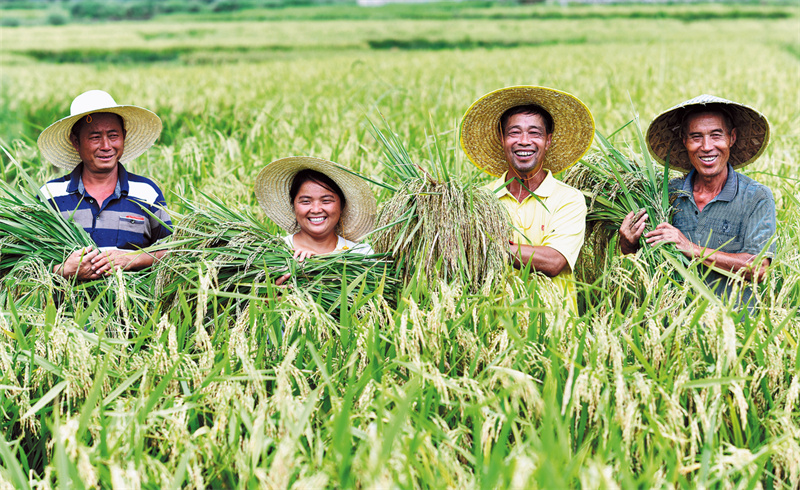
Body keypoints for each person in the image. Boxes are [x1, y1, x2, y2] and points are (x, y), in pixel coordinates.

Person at [619, 94, 776, 305]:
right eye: (696, 137)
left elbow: (758, 269)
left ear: (732, 137)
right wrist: (628, 245)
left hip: (733, 328)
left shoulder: (756, 197)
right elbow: (643, 262)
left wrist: (691, 248)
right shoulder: (665, 196)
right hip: (669, 324)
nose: (706, 146)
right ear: (684, 141)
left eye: (716, 135)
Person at [460, 86, 595, 312]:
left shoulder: (568, 199)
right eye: (514, 133)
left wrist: (487, 246)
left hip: (557, 332)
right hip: (494, 333)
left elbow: (554, 261)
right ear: (502, 139)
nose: (524, 141)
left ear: (548, 141)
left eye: (535, 133)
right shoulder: (481, 200)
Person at [37, 90, 172, 280]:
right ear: (76, 142)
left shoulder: (146, 193)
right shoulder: (50, 195)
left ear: (123, 136)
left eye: (113, 135)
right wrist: (65, 270)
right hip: (65, 309)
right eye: (95, 137)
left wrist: (131, 258)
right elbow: (26, 263)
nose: (106, 145)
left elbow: (172, 252)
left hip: (133, 308)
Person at [254, 156, 377, 283]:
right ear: (293, 206)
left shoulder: (361, 255)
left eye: (326, 200)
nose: (316, 209)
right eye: (306, 201)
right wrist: (270, 299)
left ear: (342, 206)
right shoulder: (275, 252)